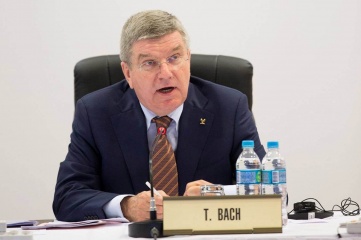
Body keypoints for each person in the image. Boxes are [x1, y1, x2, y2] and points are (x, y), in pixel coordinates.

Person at [53, 10, 266, 222]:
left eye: (174, 58)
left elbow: (271, 192)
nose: (166, 74)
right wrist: (126, 206)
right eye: (149, 63)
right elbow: (67, 197)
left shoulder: (229, 107)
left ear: (188, 59)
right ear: (128, 73)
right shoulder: (96, 112)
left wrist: (218, 195)